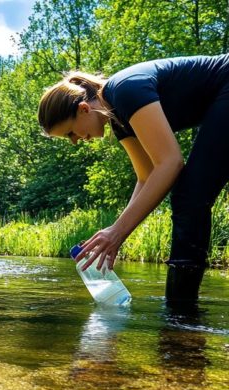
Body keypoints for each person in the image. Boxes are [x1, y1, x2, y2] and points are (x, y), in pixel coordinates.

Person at [38, 54, 229, 306]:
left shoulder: (125, 90)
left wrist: (117, 232)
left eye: (70, 133)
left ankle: (180, 314)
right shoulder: (120, 122)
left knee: (189, 196)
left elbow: (170, 163)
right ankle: (181, 314)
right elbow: (146, 176)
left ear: (83, 109)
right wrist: (115, 234)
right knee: (188, 195)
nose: (75, 141)